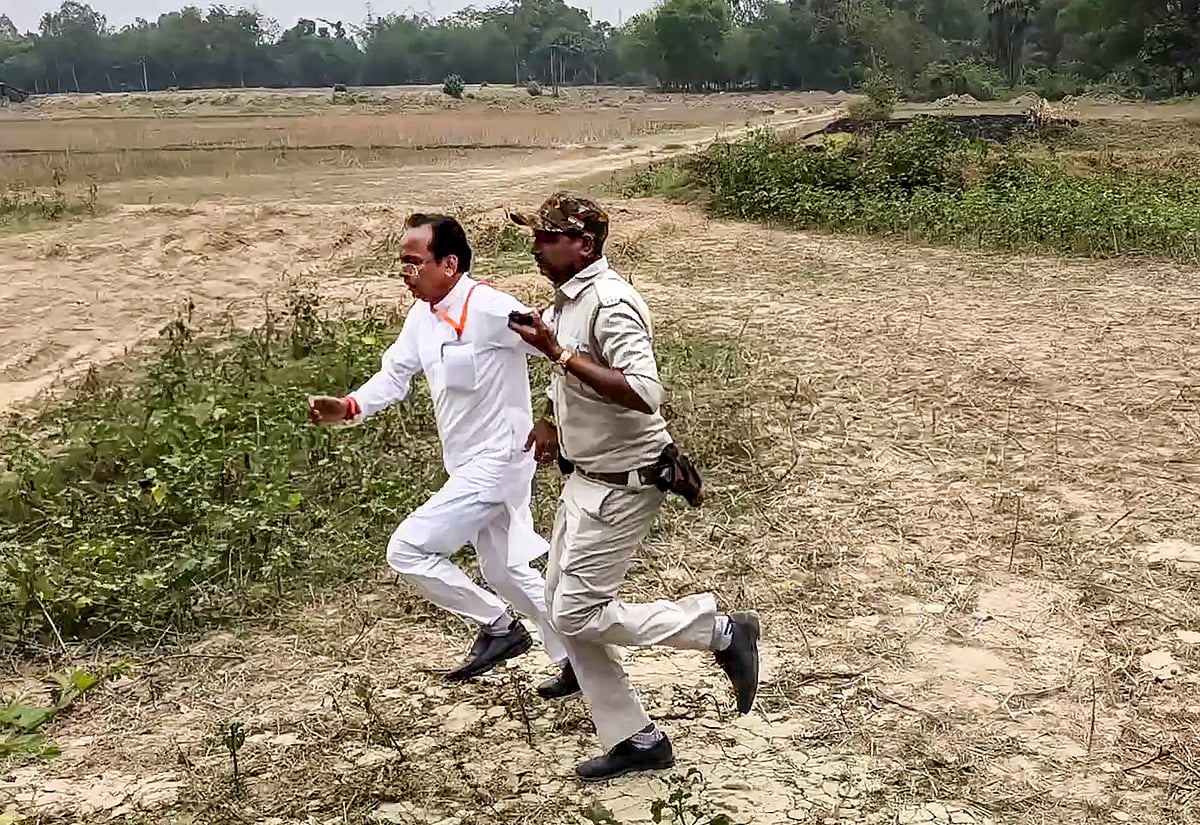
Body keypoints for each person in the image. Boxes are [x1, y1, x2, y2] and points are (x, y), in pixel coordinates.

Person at [506, 194, 761, 782]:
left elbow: (644, 392)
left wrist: (556, 352)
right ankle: (635, 738)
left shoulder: (610, 302)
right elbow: (573, 383)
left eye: (547, 237)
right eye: (536, 236)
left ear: (583, 245)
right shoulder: (568, 299)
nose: (536, 247)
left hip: (624, 482)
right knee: (561, 604)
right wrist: (550, 419)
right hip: (586, 476)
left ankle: (722, 632)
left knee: (577, 613)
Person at [308, 213, 575, 697]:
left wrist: (552, 417)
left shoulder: (491, 308)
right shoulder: (422, 317)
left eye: (414, 263)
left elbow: (563, 352)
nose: (406, 274)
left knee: (408, 549)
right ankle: (580, 660)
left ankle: (499, 627)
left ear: (449, 264)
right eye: (402, 264)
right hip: (467, 464)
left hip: (499, 462)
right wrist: (349, 407)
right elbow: (394, 375)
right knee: (506, 572)